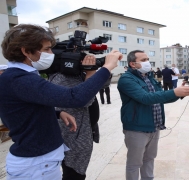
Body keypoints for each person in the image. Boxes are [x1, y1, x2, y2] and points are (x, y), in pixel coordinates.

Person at [0, 24, 122, 179]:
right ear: (25, 51)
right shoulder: (19, 79)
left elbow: (24, 111)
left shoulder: (19, 77)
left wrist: (58, 113)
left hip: (40, 162)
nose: (51, 53)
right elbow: (75, 97)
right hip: (36, 166)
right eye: (46, 49)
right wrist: (107, 67)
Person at [117, 50, 189, 180]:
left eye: (147, 59)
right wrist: (174, 92)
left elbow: (160, 97)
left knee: (149, 159)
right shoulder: (126, 79)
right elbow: (145, 98)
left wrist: (180, 93)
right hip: (137, 127)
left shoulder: (150, 77)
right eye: (143, 60)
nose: (147, 62)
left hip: (154, 125)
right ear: (132, 64)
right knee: (134, 163)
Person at [49, 64, 101, 179]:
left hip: (79, 133)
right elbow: (84, 100)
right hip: (73, 136)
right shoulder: (63, 78)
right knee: (74, 174)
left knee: (76, 173)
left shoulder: (75, 75)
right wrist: (91, 74)